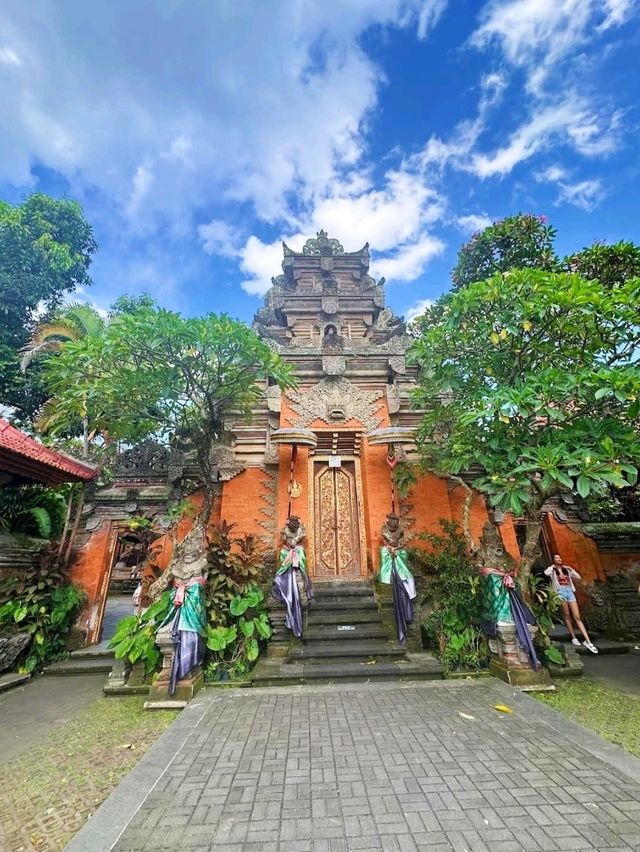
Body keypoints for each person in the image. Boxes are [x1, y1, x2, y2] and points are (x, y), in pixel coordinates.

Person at [544, 554, 598, 654]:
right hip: (560, 592)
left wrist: (570, 568)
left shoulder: (566, 570)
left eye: (560, 558)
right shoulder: (553, 571)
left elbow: (578, 577)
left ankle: (588, 641)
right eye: (556, 558)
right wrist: (552, 566)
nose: (559, 559)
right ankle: (573, 637)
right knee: (567, 615)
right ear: (553, 560)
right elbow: (546, 573)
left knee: (577, 616)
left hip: (569, 591)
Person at [272, 516, 313, 638]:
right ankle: (284, 574)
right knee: (284, 553)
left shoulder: (300, 530)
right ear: (289, 523)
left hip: (297, 549)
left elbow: (302, 536)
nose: (294, 526)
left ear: (298, 523)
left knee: (300, 552)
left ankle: (299, 570)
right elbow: (283, 540)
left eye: (296, 523)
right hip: (287, 550)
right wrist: (288, 540)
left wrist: (296, 540)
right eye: (292, 523)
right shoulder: (286, 530)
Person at [379, 514, 416, 644]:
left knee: (404, 575)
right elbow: (388, 539)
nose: (393, 523)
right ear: (388, 521)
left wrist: (396, 549)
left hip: (397, 552)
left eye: (396, 521)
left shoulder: (400, 530)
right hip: (390, 551)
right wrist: (391, 549)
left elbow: (398, 541)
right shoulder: (384, 529)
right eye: (391, 520)